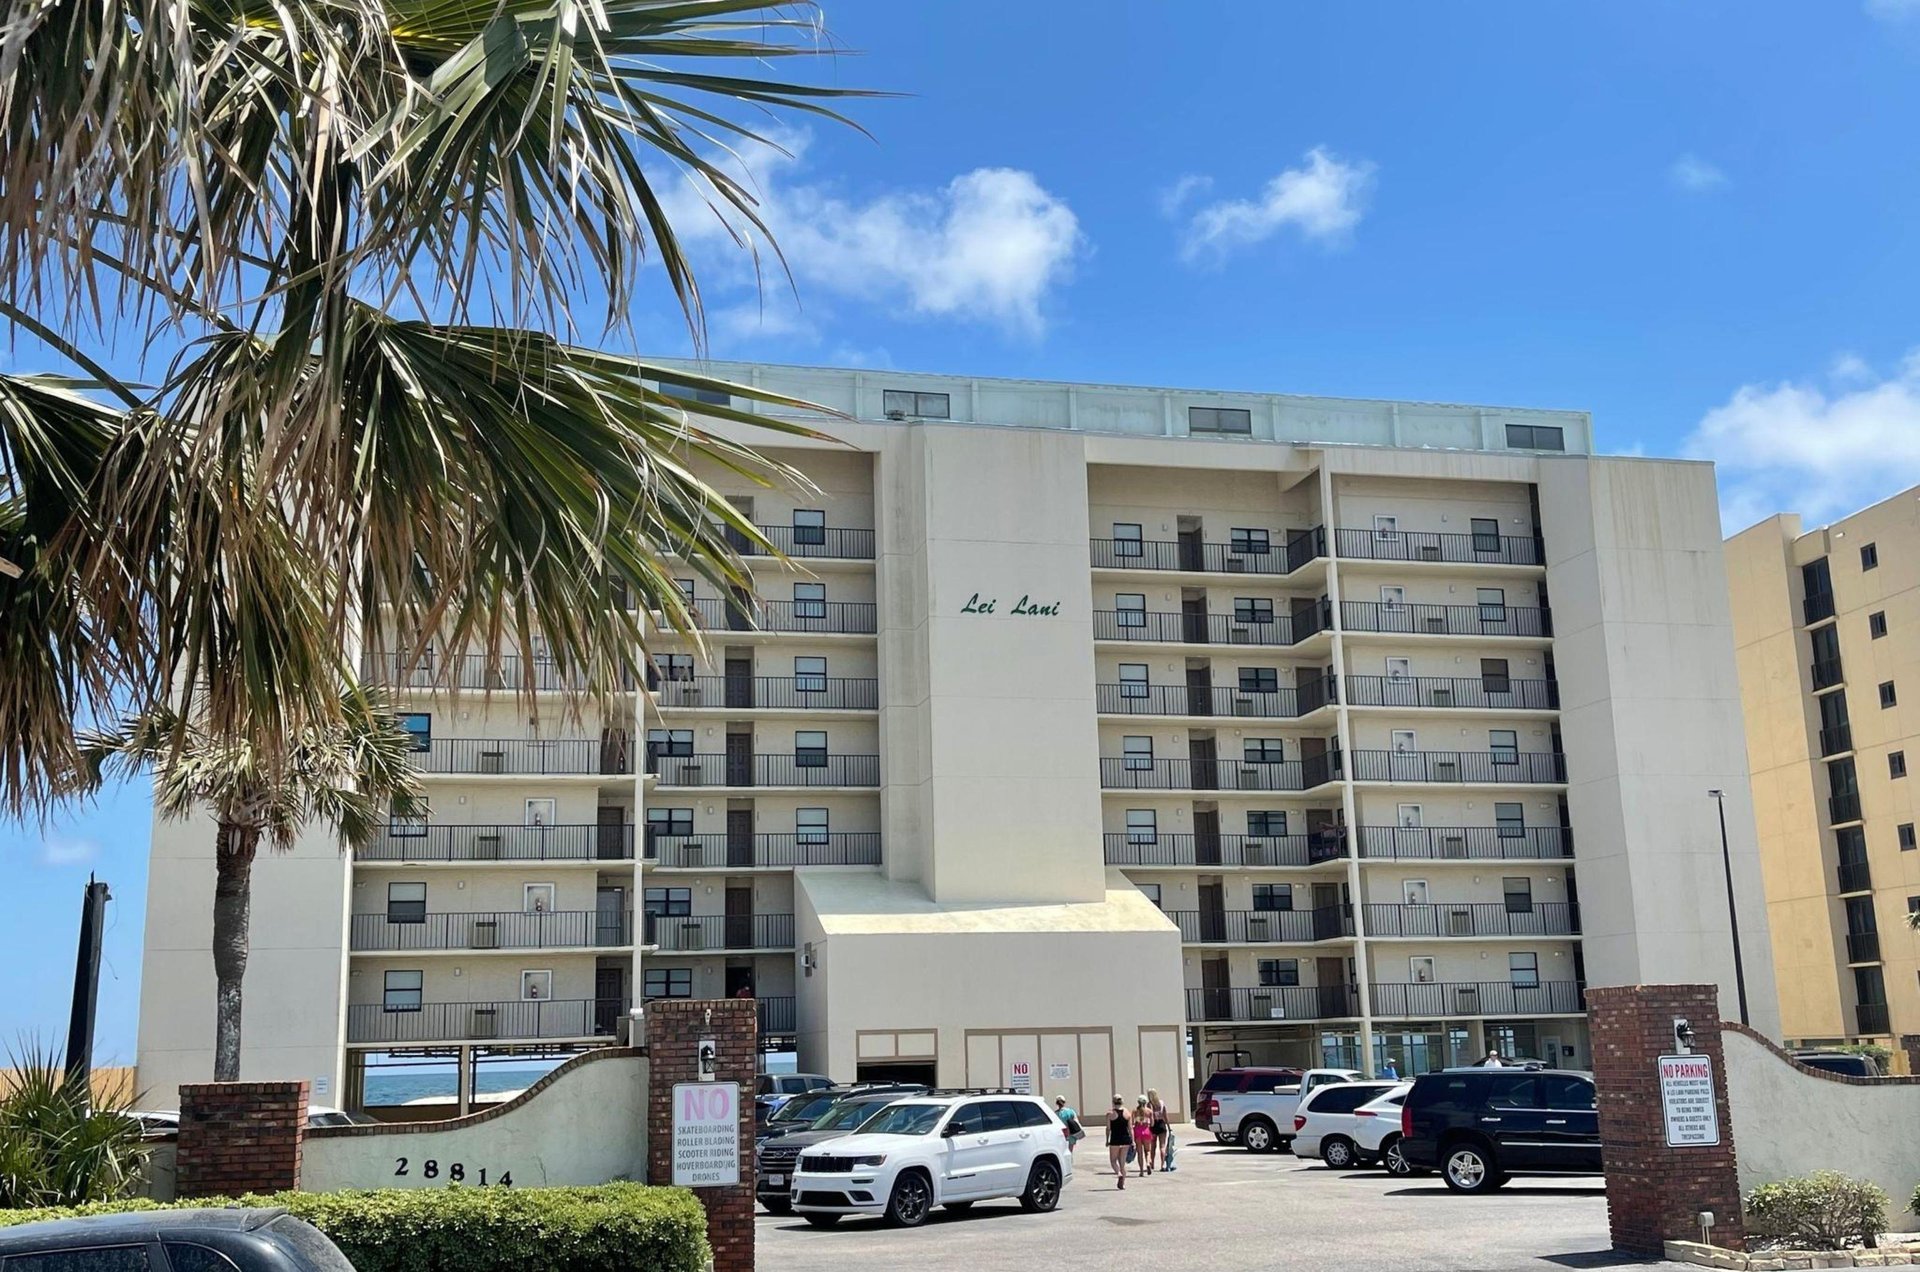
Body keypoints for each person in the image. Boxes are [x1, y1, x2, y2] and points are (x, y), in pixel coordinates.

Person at [1106, 1095, 1131, 1188]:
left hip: (1115, 1139)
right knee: (1122, 1164)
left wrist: (1107, 1140)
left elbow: (1108, 1128)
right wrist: (1132, 1140)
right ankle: (1122, 1184)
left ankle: (1118, 1174)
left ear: (1113, 1102)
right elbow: (1130, 1128)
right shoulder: (1127, 1113)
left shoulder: (1110, 1114)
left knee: (1113, 1161)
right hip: (1125, 1140)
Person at [1147, 1087, 1169, 1172]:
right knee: (1162, 1146)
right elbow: (1165, 1115)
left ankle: (1152, 1163)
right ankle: (1163, 1164)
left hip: (1153, 1126)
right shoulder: (1161, 1103)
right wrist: (1168, 1126)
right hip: (1161, 1124)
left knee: (1153, 1146)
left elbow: (1149, 1116)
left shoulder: (1149, 1104)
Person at [1131, 1096, 1155, 1176]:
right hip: (1146, 1130)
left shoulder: (1135, 1111)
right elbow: (1152, 1124)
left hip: (1137, 1131)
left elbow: (1132, 1122)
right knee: (1148, 1150)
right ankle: (1148, 1163)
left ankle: (1141, 1171)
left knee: (1140, 1152)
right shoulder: (1149, 1111)